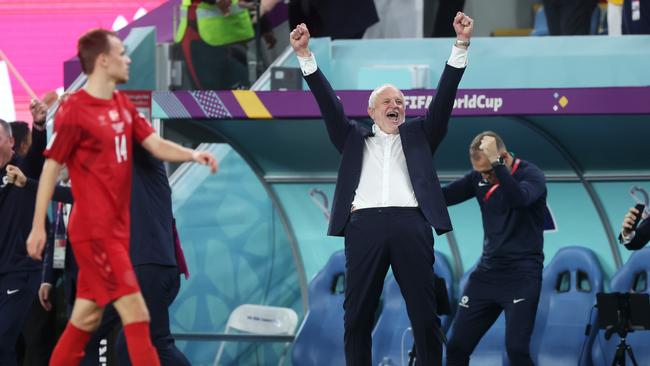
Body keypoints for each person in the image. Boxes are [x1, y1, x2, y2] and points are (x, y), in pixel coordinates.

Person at [289, 12, 473, 365]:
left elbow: (445, 97)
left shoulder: (421, 136)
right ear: (371, 111)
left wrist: (460, 45)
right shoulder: (352, 138)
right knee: (356, 315)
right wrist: (304, 56)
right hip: (364, 228)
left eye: (401, 102)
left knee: (424, 315)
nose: (396, 106)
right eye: (387, 101)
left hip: (411, 226)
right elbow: (329, 104)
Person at [26, 28, 217, 366]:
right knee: (102, 331)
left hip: (148, 259)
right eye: (121, 53)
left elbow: (148, 143)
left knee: (138, 338)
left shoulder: (126, 127)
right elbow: (61, 177)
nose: (128, 58)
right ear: (103, 60)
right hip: (117, 253)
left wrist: (190, 156)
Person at [442, 132, 547, 366]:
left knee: (517, 350)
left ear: (504, 157)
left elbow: (518, 199)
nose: (486, 178)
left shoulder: (532, 175)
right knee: (456, 347)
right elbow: (443, 197)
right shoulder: (479, 177)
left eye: (489, 172)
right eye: (481, 173)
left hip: (523, 274)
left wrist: (497, 167)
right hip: (488, 274)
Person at [0, 100, 47, 366]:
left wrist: (39, 125)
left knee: (2, 340)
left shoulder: (23, 169)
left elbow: (39, 153)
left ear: (10, 142)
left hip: (20, 271)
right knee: (8, 347)